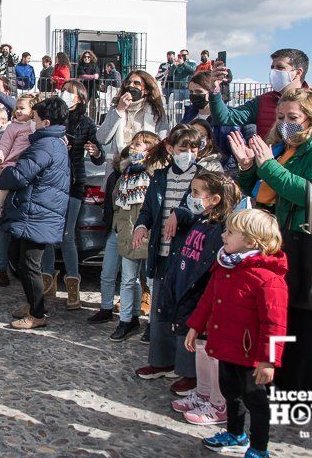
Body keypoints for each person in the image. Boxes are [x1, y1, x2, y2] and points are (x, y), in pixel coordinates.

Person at [229, 88, 312, 393]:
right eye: (281, 117)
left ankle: (301, 390)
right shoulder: (286, 147)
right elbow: (263, 191)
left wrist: (267, 164)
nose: (285, 122)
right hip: (282, 237)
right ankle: (276, 380)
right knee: (277, 312)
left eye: (292, 117)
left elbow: (311, 193)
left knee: (305, 321)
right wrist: (248, 167)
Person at [186, 209, 288, 458]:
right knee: (231, 394)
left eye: (230, 232)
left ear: (251, 241)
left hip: (250, 356)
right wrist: (195, 326)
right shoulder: (225, 265)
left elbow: (275, 324)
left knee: (256, 402)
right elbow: (208, 299)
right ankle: (235, 434)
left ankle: (259, 448)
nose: (223, 235)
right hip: (225, 347)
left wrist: (268, 360)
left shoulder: (267, 278)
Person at [157, 171, 242, 417]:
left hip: (204, 299)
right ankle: (203, 393)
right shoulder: (201, 220)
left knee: (211, 353)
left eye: (195, 193)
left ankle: (218, 402)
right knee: (201, 350)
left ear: (214, 199)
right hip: (191, 298)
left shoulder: (222, 229)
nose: (190, 198)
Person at [130, 124, 209, 354]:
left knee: (185, 308)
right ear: (171, 148)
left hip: (188, 252)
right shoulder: (159, 177)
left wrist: (180, 213)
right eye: (183, 147)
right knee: (160, 306)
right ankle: (160, 357)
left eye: (193, 148)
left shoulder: (203, 176)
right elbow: (147, 209)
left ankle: (184, 363)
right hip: (161, 250)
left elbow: (205, 209)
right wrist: (142, 226)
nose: (189, 153)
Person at [0, 97, 71, 329]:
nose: (33, 122)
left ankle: (37, 314)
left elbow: (20, 175)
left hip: (38, 212)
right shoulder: (54, 142)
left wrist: (3, 173)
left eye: (36, 119)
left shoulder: (46, 145)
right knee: (19, 259)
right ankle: (33, 303)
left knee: (29, 264)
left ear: (46, 122)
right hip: (37, 210)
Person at [39, 81, 104, 308]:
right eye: (63, 90)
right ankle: (47, 285)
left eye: (69, 91)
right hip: (51, 182)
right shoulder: (54, 116)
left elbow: (98, 155)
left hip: (74, 182)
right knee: (48, 234)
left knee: (67, 234)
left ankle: (73, 290)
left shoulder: (85, 122)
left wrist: (95, 151)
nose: (64, 93)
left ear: (80, 98)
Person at [92, 132, 162, 336]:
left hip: (147, 234)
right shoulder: (125, 174)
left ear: (150, 150)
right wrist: (116, 227)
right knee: (128, 279)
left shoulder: (155, 175)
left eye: (139, 145)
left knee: (150, 281)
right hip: (124, 231)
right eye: (133, 143)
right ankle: (127, 320)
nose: (133, 148)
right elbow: (115, 204)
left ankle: (153, 325)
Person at [209, 48, 312, 139]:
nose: (274, 72)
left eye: (280, 68)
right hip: (268, 171)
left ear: (298, 72)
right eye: (272, 67)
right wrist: (214, 90)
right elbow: (225, 117)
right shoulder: (262, 102)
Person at [0, 96, 36, 234]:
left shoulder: (36, 125)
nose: (18, 111)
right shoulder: (12, 127)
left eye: (22, 108)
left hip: (30, 164)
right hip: (12, 162)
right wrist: (0, 155)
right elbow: (5, 144)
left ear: (32, 110)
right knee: (2, 189)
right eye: (17, 108)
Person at [96, 70, 170, 157]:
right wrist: (120, 110)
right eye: (128, 82)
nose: (131, 86)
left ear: (146, 90)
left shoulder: (156, 112)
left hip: (146, 163)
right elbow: (102, 139)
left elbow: (162, 142)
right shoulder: (116, 108)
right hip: (117, 164)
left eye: (136, 83)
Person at [182, 71, 240, 173]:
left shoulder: (227, 118)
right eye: (191, 92)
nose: (194, 95)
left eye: (199, 92)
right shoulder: (189, 115)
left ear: (211, 92)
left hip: (216, 171)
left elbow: (233, 154)